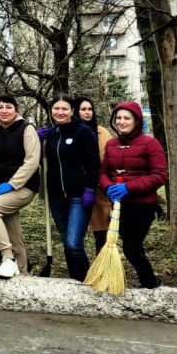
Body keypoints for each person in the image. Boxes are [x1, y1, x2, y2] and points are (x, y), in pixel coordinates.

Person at [100, 101, 167, 289]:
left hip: (143, 206)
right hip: (120, 206)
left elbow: (160, 175)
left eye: (126, 118)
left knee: (130, 248)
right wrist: (108, 187)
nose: (122, 122)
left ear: (136, 120)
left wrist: (128, 187)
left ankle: (150, 284)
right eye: (118, 118)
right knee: (135, 247)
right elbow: (103, 173)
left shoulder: (150, 144)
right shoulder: (112, 144)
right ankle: (150, 284)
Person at [0, 94, 40, 278]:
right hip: (0, 190)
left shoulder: (26, 129)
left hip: (24, 187)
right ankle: (23, 273)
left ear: (16, 110)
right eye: (0, 107)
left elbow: (32, 161)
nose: (4, 111)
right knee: (13, 232)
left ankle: (8, 258)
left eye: (8, 107)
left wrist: (12, 184)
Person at [42, 94, 100, 282]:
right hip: (57, 197)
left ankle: (87, 280)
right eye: (56, 108)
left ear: (72, 111)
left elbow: (94, 164)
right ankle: (76, 281)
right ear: (51, 111)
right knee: (67, 242)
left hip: (79, 196)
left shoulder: (83, 132)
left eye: (64, 109)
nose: (60, 112)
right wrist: (35, 140)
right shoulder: (51, 134)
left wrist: (90, 189)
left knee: (74, 243)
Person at [73, 96, 112, 253]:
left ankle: (102, 266)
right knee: (75, 235)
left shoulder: (102, 132)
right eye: (83, 109)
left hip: (99, 189)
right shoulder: (69, 132)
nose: (87, 112)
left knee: (102, 233)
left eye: (90, 109)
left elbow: (109, 157)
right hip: (76, 188)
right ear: (76, 111)